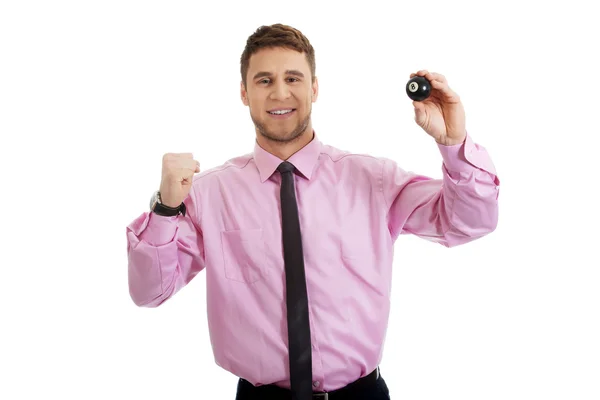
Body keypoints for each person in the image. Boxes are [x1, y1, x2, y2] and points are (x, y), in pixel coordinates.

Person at [126, 23, 500, 400]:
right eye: (264, 80)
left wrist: (455, 145)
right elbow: (149, 291)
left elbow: (468, 223)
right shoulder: (210, 193)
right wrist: (165, 209)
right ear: (243, 92)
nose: (280, 92)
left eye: (293, 78)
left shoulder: (374, 180)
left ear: (314, 88)